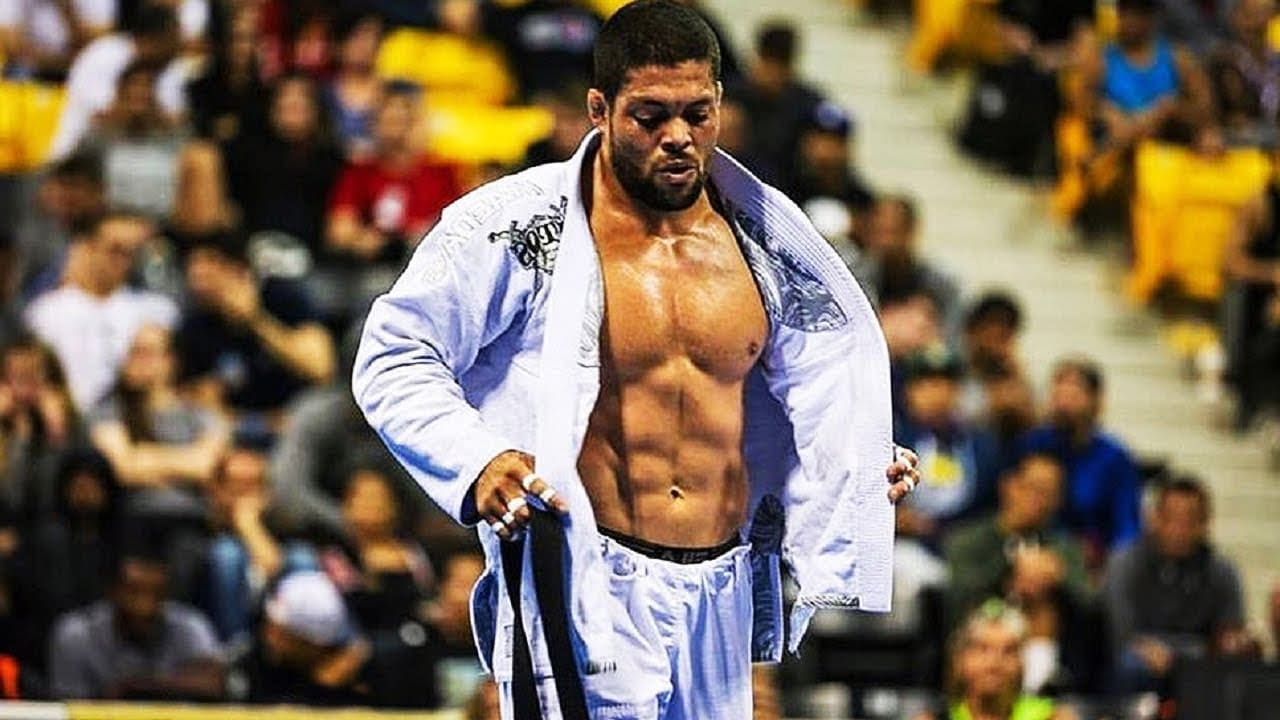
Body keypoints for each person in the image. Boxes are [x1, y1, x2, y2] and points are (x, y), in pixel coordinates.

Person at [353, 2, 919, 717]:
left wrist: (856, 462)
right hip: (586, 579)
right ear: (599, 108)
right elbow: (394, 354)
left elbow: (814, 393)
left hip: (721, 586)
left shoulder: (766, 241)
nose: (678, 136)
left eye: (698, 114)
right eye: (651, 116)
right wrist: (476, 459)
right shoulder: (513, 226)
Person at [944, 453, 1095, 693]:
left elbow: (1090, 605)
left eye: (1050, 493)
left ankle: (1038, 683)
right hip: (982, 646)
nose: (1040, 500)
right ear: (1009, 486)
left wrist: (1058, 578)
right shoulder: (968, 540)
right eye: (1033, 488)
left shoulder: (1064, 547)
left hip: (1051, 646)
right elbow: (956, 597)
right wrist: (1009, 572)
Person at [175, 230, 335, 439]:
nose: (200, 285)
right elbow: (201, 403)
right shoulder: (195, 326)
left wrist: (256, 321)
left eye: (210, 275)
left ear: (241, 271)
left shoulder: (282, 298)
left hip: (299, 422)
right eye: (195, 277)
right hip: (237, 431)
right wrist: (260, 423)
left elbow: (321, 369)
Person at [1103, 476, 1254, 692]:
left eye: (1190, 521)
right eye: (1170, 518)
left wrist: (1234, 644)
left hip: (1199, 661)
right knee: (1128, 664)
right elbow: (1120, 633)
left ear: (1205, 524)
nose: (1179, 530)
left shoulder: (1223, 571)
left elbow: (1229, 633)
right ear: (1154, 518)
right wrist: (1150, 651)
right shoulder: (1124, 563)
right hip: (1139, 658)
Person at [24, 211, 179, 413]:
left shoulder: (155, 311)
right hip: (70, 416)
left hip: (137, 419)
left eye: (130, 252)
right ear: (88, 247)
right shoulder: (47, 312)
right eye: (115, 249)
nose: (122, 259)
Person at [47, 548, 224, 700]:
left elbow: (213, 684)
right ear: (112, 592)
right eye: (134, 592)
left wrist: (134, 687)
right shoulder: (77, 634)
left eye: (156, 594)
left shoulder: (190, 625)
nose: (145, 605)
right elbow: (70, 706)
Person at [1016, 357, 1143, 569]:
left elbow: (1127, 525)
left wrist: (1114, 562)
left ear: (1096, 401)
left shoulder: (1114, 457)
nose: (1064, 405)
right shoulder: (1031, 445)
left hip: (1094, 562)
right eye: (1058, 396)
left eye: (1073, 396)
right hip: (1031, 553)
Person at [47, 4, 186, 162]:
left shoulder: (170, 66)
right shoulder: (103, 54)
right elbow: (102, 117)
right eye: (175, 39)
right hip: (83, 150)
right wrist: (145, 110)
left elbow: (176, 119)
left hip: (145, 153)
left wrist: (147, 111)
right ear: (155, 39)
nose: (180, 46)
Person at [911, 601, 1079, 720]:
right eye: (982, 649)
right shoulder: (934, 718)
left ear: (1022, 663)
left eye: (1009, 651)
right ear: (961, 659)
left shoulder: (1051, 716)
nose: (995, 662)